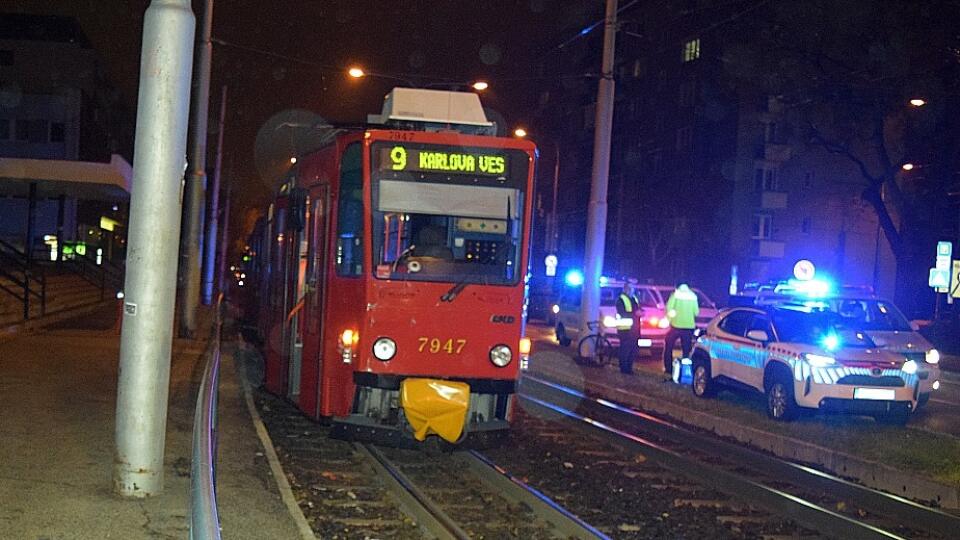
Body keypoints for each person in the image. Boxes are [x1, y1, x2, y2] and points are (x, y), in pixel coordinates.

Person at [662, 281, 700, 374]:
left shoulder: (675, 294)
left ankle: (668, 369)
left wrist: (669, 319)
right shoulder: (693, 295)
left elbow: (669, 308)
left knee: (668, 346)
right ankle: (685, 371)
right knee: (686, 350)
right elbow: (696, 312)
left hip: (676, 326)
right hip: (689, 327)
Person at [616, 282, 641, 375]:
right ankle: (624, 369)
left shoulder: (634, 298)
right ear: (625, 289)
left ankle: (629, 368)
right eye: (630, 288)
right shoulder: (621, 299)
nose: (632, 290)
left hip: (634, 329)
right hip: (625, 329)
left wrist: (640, 312)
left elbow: (636, 309)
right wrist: (635, 314)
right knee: (625, 350)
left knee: (633, 349)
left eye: (632, 288)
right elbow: (622, 313)